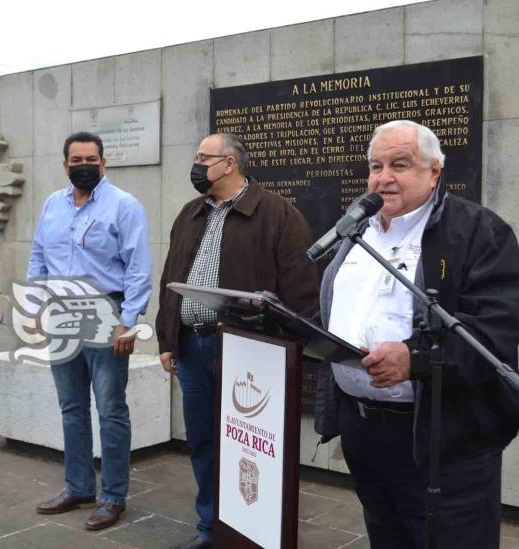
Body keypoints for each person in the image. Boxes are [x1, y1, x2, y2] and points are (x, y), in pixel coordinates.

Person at [314, 120, 519, 549]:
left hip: (444, 442)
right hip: (364, 433)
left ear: (434, 171)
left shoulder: (478, 232)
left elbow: (495, 333)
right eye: (375, 166)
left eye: (399, 164)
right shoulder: (357, 232)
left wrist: (415, 359)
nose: (383, 177)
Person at [157, 133, 319, 549]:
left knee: (251, 446)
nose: (195, 165)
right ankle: (210, 527)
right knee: (204, 442)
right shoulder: (190, 213)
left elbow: (301, 288)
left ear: (229, 164)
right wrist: (167, 338)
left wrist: (291, 347)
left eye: (202, 158)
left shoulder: (277, 214)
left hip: (247, 351)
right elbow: (170, 276)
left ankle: (253, 529)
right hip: (193, 349)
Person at [29, 131, 152, 531]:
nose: (84, 165)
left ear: (103, 163)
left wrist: (128, 322)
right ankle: (78, 486)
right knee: (71, 407)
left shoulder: (124, 206)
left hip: (107, 313)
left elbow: (138, 268)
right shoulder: (52, 204)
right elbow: (38, 255)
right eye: (76, 159)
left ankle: (113, 496)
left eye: (91, 159)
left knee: (111, 409)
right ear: (65, 164)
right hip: (61, 314)